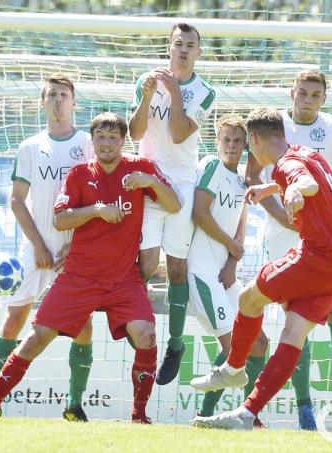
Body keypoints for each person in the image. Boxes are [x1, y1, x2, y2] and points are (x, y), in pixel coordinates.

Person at [0, 112, 180, 423]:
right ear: (92, 142)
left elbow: (175, 205)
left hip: (123, 280)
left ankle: (139, 415)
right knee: (36, 337)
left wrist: (150, 182)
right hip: (79, 277)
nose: (106, 144)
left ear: (122, 141)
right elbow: (60, 219)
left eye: (113, 138)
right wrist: (97, 211)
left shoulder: (139, 170)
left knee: (146, 335)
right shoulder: (79, 175)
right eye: (101, 138)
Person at [190, 108, 332, 430]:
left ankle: (233, 367)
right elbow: (316, 179)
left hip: (319, 257)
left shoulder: (287, 166)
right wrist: (271, 190)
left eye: (248, 146)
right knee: (293, 333)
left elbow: (305, 182)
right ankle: (247, 413)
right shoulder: (306, 152)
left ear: (254, 140)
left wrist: (295, 189)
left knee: (247, 299)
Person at [244, 69, 332, 430]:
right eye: (303, 93)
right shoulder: (273, 127)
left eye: (315, 94)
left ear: (323, 98)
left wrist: (323, 215)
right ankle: (304, 407)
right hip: (285, 229)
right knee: (291, 314)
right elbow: (254, 176)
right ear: (291, 93)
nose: (308, 99)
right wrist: (281, 214)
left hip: (323, 234)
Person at [0, 74, 96, 422]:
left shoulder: (88, 144)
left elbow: (99, 198)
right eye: (51, 95)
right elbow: (17, 201)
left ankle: (74, 404)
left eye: (64, 95)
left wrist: (78, 244)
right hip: (34, 247)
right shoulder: (30, 146)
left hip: (75, 250)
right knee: (15, 317)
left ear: (74, 103)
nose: (58, 100)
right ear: (42, 102)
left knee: (82, 325)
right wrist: (37, 244)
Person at [128, 23, 216, 385]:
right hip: (147, 180)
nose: (182, 50)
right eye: (177, 43)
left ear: (198, 52)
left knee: (177, 269)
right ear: (168, 47)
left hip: (180, 185)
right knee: (145, 265)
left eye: (190, 45)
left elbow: (179, 133)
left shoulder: (206, 92)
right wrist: (148, 95)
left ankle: (175, 345)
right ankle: (143, 343)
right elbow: (134, 133)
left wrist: (173, 92)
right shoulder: (144, 82)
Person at [188, 114, 269, 418]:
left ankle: (250, 416)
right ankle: (206, 415)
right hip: (201, 274)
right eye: (227, 140)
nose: (232, 146)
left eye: (238, 141)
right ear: (217, 141)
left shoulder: (242, 181)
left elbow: (241, 227)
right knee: (237, 345)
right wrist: (232, 246)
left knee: (259, 341)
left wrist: (233, 260)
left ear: (245, 144)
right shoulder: (212, 166)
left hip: (224, 276)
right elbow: (199, 212)